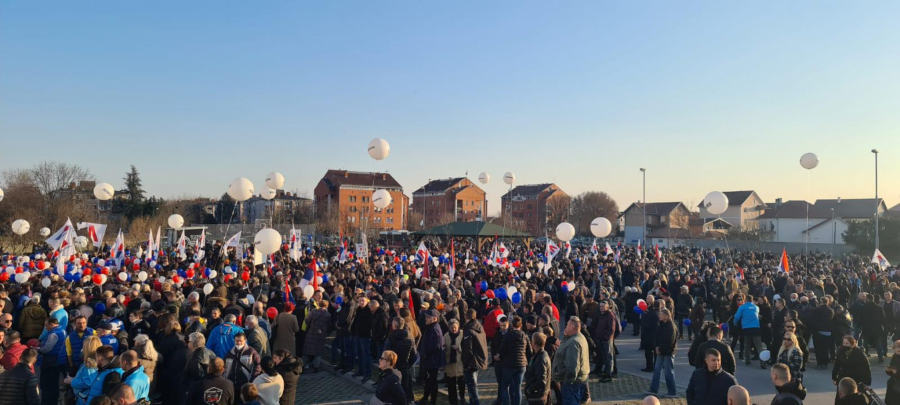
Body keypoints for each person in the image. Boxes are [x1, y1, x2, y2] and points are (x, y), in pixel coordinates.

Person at [551, 316, 590, 405]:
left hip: (572, 383)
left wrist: (567, 382)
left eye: (567, 325)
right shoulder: (577, 337)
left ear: (573, 327)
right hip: (577, 381)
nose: (565, 327)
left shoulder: (573, 342)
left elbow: (573, 367)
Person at [499, 316, 530, 405]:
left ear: (512, 325)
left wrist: (500, 356)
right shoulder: (524, 335)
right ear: (521, 325)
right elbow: (530, 351)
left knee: (504, 387)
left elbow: (502, 350)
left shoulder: (508, 335)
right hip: (521, 365)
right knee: (518, 388)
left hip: (509, 364)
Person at [383, 317, 415, 402]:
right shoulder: (410, 337)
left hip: (393, 369)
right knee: (405, 390)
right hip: (405, 368)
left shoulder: (391, 338)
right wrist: (408, 364)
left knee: (393, 393)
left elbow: (385, 354)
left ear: (394, 325)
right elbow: (414, 355)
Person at [647, 309, 677, 398]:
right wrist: (656, 346)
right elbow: (657, 336)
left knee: (668, 372)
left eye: (661, 314)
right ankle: (654, 389)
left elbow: (669, 341)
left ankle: (672, 392)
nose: (659, 316)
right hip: (660, 351)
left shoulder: (671, 326)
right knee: (657, 370)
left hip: (668, 352)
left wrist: (660, 349)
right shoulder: (661, 325)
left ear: (667, 316)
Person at [461, 309, 488, 405]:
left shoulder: (468, 330)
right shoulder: (479, 327)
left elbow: (468, 349)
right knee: (473, 386)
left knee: (472, 389)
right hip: (478, 360)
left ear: (466, 317)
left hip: (471, 362)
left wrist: (465, 363)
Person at [418, 309, 445, 405]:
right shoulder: (431, 327)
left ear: (435, 318)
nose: (426, 318)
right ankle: (425, 398)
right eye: (426, 317)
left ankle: (433, 401)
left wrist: (426, 354)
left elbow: (436, 346)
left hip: (432, 361)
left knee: (432, 382)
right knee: (428, 381)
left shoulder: (434, 329)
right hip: (430, 360)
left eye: (428, 317)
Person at [734, 294, 767, 369]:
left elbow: (737, 316)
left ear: (745, 300)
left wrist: (735, 323)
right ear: (752, 300)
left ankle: (747, 360)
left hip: (746, 327)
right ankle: (763, 361)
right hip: (756, 327)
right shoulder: (756, 307)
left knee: (747, 344)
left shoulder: (742, 307)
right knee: (759, 345)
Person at [38, 317, 66, 405]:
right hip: (58, 360)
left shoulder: (53, 334)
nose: (46, 328)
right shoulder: (62, 330)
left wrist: (38, 349)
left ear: (52, 324)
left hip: (50, 361)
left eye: (46, 325)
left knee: (47, 385)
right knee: (54, 384)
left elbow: (47, 349)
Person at [66, 336, 101, 405]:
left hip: (84, 398)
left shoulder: (90, 363)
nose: (82, 349)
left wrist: (71, 381)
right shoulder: (96, 361)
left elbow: (88, 382)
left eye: (84, 346)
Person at [300, 299, 330, 373]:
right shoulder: (328, 315)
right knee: (318, 352)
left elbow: (307, 321)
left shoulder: (314, 312)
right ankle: (316, 366)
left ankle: (303, 365)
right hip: (321, 334)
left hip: (311, 332)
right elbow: (328, 324)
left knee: (306, 351)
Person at [591, 301, 617, 382]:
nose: (601, 307)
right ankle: (605, 372)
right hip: (600, 338)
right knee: (604, 357)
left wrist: (606, 338)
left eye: (603, 306)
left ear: (607, 306)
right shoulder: (601, 314)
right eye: (600, 306)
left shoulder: (610, 315)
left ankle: (609, 374)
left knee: (609, 357)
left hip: (606, 340)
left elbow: (611, 329)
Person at [523, 332, 551, 405]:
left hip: (537, 396)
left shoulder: (541, 358)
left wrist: (530, 389)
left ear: (534, 343)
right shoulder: (539, 355)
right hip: (538, 395)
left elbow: (541, 380)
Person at [443, 319, 465, 405]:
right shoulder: (446, 336)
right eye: (452, 328)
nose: (454, 329)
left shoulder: (463, 334)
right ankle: (453, 401)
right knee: (451, 385)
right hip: (450, 364)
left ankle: (462, 398)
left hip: (460, 363)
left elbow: (467, 347)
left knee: (461, 383)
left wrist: (459, 347)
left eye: (455, 327)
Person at [640, 300, 660, 372]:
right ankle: (656, 366)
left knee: (648, 352)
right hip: (657, 336)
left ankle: (649, 366)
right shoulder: (660, 313)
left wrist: (643, 335)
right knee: (656, 352)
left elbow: (645, 326)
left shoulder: (648, 314)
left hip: (649, 336)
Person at [885, 339, 900, 405]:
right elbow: (892, 370)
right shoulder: (895, 356)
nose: (897, 352)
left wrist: (896, 372)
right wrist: (888, 370)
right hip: (893, 382)